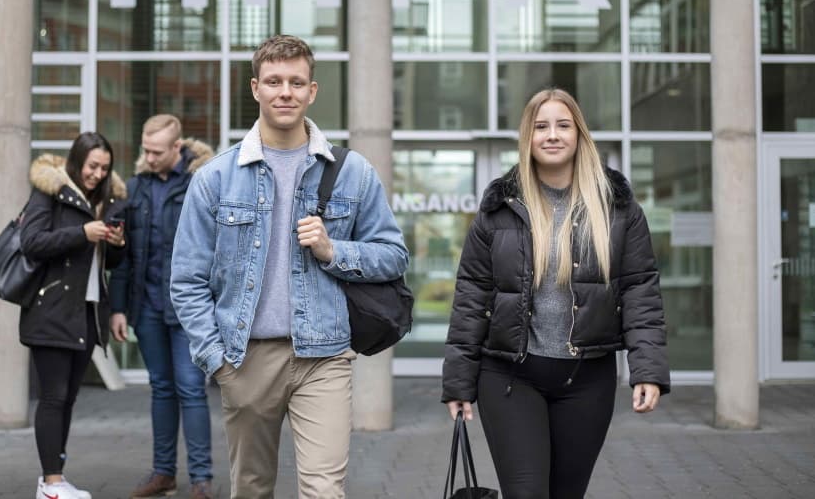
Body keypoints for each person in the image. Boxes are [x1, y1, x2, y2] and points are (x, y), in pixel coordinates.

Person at [169, 34, 409, 499]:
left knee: (323, 490)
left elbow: (394, 255)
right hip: (245, 358)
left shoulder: (352, 171)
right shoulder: (215, 178)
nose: (286, 92)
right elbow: (187, 279)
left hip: (324, 356)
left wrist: (333, 250)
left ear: (312, 91)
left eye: (296, 82)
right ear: (256, 88)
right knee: (253, 489)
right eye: (275, 81)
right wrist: (217, 362)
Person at [442, 88, 671, 499]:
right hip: (509, 376)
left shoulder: (617, 209)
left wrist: (648, 369)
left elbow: (640, 289)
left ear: (579, 135)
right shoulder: (499, 209)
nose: (552, 135)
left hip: (587, 379)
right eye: (540, 126)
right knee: (527, 493)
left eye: (563, 125)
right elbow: (472, 296)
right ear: (527, 138)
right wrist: (459, 381)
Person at [109, 115, 215, 499]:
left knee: (191, 388)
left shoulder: (201, 184)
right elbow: (124, 256)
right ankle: (163, 472)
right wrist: (118, 309)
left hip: (189, 309)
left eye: (156, 151)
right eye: (145, 150)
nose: (148, 157)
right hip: (148, 307)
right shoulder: (135, 189)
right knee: (161, 388)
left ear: (177, 148)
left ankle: (202, 478)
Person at [20, 132, 128, 499]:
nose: (98, 174)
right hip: (50, 310)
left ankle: (55, 478)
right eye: (92, 166)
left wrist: (116, 245)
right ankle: (51, 483)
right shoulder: (49, 192)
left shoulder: (107, 200)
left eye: (104, 168)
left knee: (67, 399)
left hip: (85, 312)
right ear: (76, 161)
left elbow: (106, 264)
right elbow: (31, 243)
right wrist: (82, 232)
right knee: (53, 397)